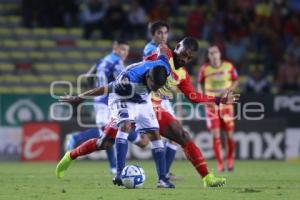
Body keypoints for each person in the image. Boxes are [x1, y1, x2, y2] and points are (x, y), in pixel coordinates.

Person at [61, 38, 238, 188]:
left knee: (181, 135)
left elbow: (193, 96)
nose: (184, 59)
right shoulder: (159, 57)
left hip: (150, 104)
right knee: (104, 142)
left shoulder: (181, 74)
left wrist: (217, 100)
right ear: (177, 48)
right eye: (183, 54)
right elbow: (109, 87)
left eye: (189, 58)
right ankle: (72, 155)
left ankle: (205, 177)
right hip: (127, 97)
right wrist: (80, 97)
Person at [56, 46, 176, 188]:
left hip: (143, 100)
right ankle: (116, 172)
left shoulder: (164, 67)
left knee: (152, 136)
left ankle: (162, 179)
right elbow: (104, 89)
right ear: (148, 77)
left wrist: (161, 46)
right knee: (122, 128)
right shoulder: (128, 80)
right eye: (154, 85)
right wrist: (80, 97)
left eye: (158, 86)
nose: (155, 88)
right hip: (121, 98)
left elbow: (163, 50)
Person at [64, 40, 131, 174]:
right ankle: (76, 139)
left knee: (107, 133)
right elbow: (123, 80)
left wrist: (93, 91)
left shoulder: (103, 60)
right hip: (108, 101)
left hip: (99, 100)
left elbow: (89, 76)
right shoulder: (117, 62)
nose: (125, 53)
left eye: (127, 50)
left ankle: (113, 167)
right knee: (106, 133)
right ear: (115, 48)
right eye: (122, 49)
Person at [143, 21, 178, 179]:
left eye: (165, 32)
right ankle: (163, 175)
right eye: (159, 33)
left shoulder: (164, 50)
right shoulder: (152, 49)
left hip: (163, 98)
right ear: (153, 34)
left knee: (173, 138)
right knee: (160, 136)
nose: (163, 35)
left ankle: (164, 173)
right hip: (154, 98)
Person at [198, 44, 239, 172]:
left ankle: (230, 160)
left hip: (226, 105)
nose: (214, 55)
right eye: (211, 53)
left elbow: (236, 80)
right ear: (209, 56)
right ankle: (220, 164)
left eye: (215, 52)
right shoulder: (204, 69)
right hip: (211, 105)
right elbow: (199, 84)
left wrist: (229, 90)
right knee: (215, 135)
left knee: (229, 136)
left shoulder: (229, 66)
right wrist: (202, 97)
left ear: (220, 54)